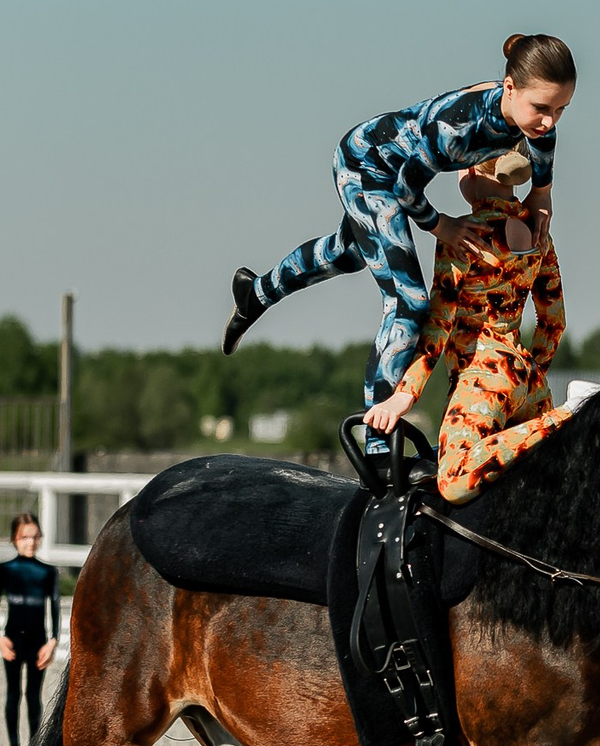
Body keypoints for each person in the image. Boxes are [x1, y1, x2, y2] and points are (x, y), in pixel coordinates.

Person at [221, 33, 575, 453]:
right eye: (541, 109)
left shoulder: (533, 123)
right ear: (510, 88)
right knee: (408, 302)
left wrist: (541, 194)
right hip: (368, 168)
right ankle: (378, 445)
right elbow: (406, 188)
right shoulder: (460, 128)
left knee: (349, 253)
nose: (548, 122)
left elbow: (543, 159)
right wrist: (443, 226)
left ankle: (256, 292)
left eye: (560, 110)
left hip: (393, 176)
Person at [362, 178, 571, 501]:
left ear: (472, 170)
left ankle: (572, 412)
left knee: (455, 478)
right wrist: (530, 372)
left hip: (482, 376)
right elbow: (554, 322)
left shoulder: (463, 234)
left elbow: (439, 325)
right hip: (529, 378)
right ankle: (559, 418)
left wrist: (405, 394)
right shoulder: (539, 233)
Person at [0, 513, 60, 746]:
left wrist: (53, 642)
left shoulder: (48, 571)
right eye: (24, 537)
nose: (30, 542)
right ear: (14, 539)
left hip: (38, 641)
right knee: (13, 692)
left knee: (33, 695)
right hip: (12, 639)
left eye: (35, 537)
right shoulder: (4, 570)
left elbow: (54, 607)